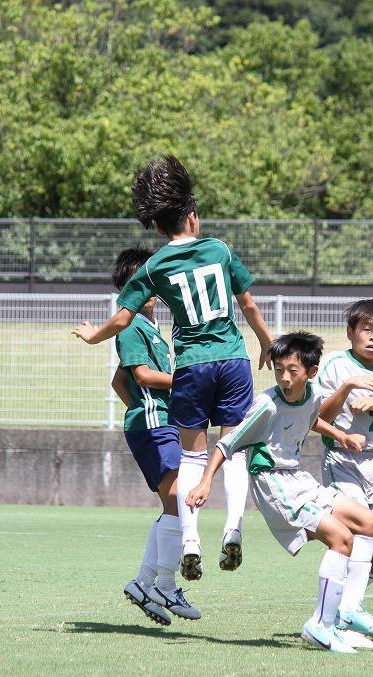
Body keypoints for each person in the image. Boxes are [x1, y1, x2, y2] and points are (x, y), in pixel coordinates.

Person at [73, 155, 274, 580]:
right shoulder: (219, 249)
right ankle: (233, 530)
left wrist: (94, 337)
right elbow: (249, 303)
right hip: (233, 359)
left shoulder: (155, 265)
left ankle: (190, 540)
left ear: (160, 228)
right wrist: (267, 343)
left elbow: (122, 318)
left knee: (191, 456)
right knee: (235, 449)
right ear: (193, 218)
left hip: (192, 367)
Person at [187, 332, 373, 654]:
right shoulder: (267, 404)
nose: (285, 378)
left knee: (369, 523)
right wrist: (205, 482)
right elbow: (227, 443)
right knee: (341, 539)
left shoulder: (314, 394)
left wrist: (341, 435)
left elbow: (311, 418)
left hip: (298, 478)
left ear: (311, 371)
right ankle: (321, 626)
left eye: (292, 371)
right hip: (273, 483)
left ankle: (344, 615)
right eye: (279, 370)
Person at [110, 246, 200, 625]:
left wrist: (144, 406)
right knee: (181, 498)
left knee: (174, 503)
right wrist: (183, 383)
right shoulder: (130, 325)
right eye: (148, 280)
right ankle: (162, 583)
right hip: (153, 424)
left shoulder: (148, 327)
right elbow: (142, 376)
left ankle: (147, 581)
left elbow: (119, 379)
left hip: (156, 420)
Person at [316, 298, 373, 637]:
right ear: (350, 331)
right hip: (344, 462)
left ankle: (344, 602)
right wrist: (348, 387)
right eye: (366, 329)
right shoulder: (335, 365)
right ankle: (346, 615)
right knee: (360, 533)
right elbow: (317, 416)